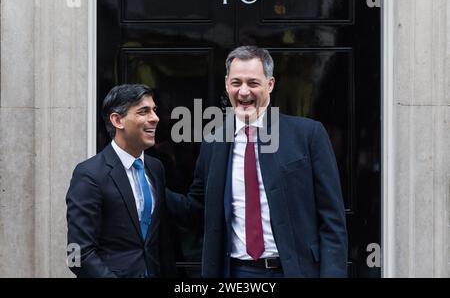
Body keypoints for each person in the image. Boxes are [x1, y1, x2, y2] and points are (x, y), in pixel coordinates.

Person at [167, 46, 348, 278]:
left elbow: (332, 220)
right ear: (226, 84)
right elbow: (197, 210)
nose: (243, 92)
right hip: (235, 274)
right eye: (236, 83)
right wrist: (147, 181)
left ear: (270, 84)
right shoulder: (213, 142)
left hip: (292, 271)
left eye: (253, 83)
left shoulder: (308, 135)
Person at [66, 84, 176, 277]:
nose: (155, 118)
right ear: (117, 120)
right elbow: (77, 254)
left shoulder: (156, 168)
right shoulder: (89, 174)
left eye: (154, 110)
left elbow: (159, 240)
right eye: (144, 111)